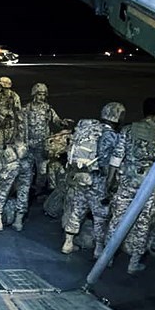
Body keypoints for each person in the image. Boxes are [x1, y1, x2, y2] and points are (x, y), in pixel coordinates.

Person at [105, 97, 155, 274]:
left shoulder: (128, 130)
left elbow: (116, 157)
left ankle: (107, 259)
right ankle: (133, 264)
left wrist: (110, 181)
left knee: (116, 220)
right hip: (147, 187)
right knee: (143, 224)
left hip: (126, 183)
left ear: (143, 110)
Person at [61, 101, 126, 258]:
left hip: (80, 177)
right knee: (100, 216)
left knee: (76, 210)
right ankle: (98, 249)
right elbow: (108, 162)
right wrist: (110, 182)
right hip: (97, 180)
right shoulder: (111, 136)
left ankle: (67, 243)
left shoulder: (89, 129)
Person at [0, 109, 33, 231]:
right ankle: (18, 222)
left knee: (1, 191)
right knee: (23, 192)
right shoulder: (22, 127)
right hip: (25, 161)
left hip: (10, 162)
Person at [20, 82, 67, 195]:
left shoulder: (47, 109)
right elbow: (20, 127)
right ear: (34, 94)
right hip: (28, 146)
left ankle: (38, 190)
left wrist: (62, 123)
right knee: (26, 171)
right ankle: (25, 191)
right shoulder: (26, 109)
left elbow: (56, 120)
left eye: (43, 95)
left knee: (42, 171)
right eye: (39, 94)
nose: (42, 97)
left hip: (42, 146)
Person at [0, 76, 21, 141]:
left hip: (11, 126)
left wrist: (10, 117)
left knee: (10, 143)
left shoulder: (14, 96)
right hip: (0, 125)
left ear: (4, 85)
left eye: (0, 85)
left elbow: (18, 110)